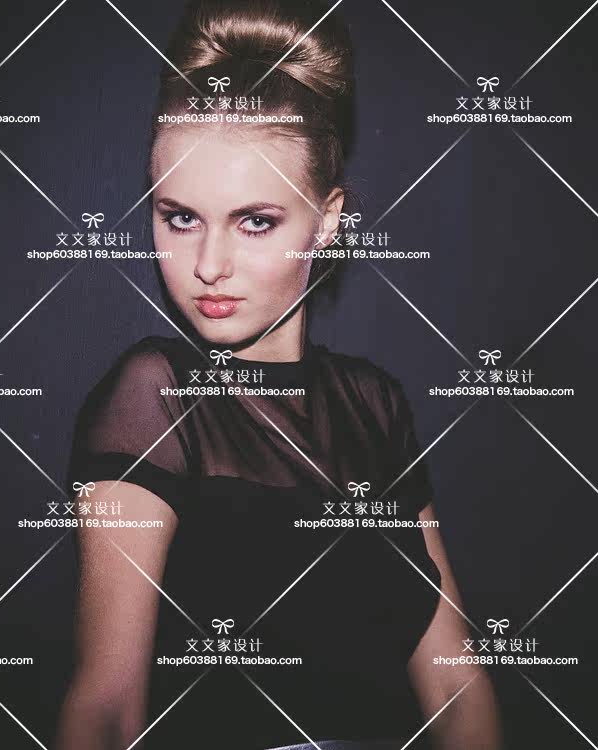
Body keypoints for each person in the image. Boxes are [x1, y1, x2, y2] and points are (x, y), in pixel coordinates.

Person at [57, 1, 502, 748]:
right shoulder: (154, 398)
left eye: (255, 221)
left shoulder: (375, 407)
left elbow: (459, 688)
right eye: (180, 217)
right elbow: (104, 706)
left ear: (327, 221)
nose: (208, 265)